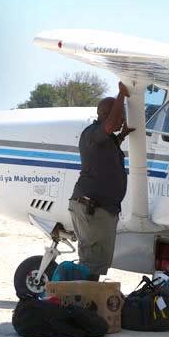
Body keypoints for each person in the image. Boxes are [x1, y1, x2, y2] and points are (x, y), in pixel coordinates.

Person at [69, 81, 135, 282]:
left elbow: (107, 147)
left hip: (99, 209)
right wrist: (121, 95)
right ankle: (84, 304)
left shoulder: (103, 139)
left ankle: (86, 302)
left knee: (96, 261)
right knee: (92, 263)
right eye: (120, 114)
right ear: (106, 115)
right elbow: (109, 127)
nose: (122, 118)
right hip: (93, 209)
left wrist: (122, 135)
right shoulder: (94, 133)